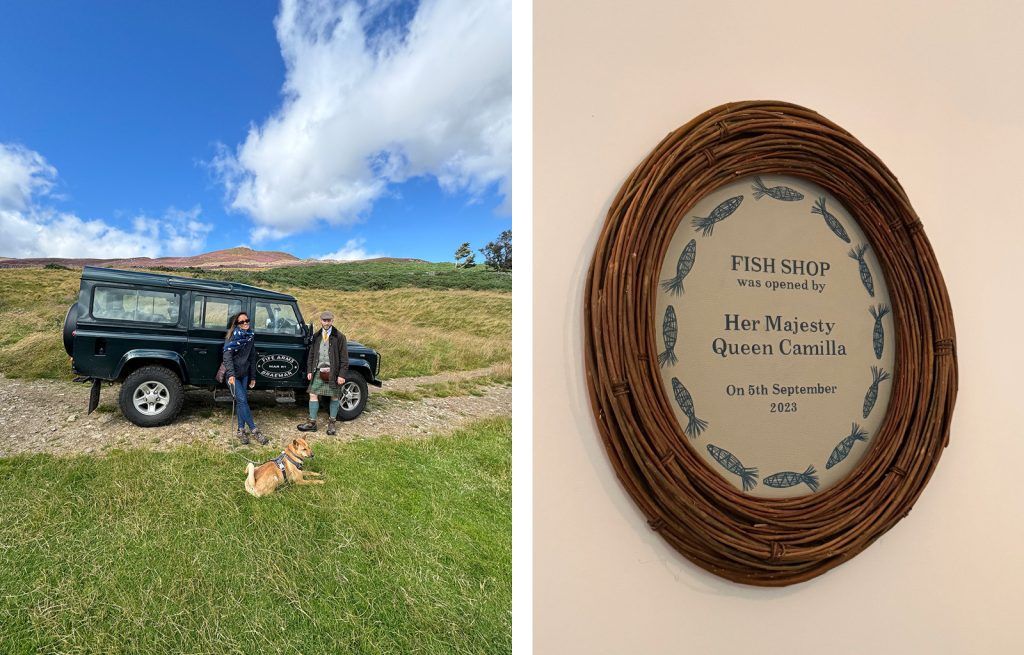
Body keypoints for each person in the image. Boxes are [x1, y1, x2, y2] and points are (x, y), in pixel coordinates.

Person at [297, 310, 348, 435]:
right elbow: (312, 355)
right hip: (318, 371)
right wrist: (309, 370)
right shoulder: (316, 336)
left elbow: (344, 359)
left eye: (329, 320)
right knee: (313, 394)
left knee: (334, 396)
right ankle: (312, 423)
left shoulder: (340, 337)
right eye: (324, 320)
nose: (326, 322)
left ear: (332, 320)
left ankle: (331, 423)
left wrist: (342, 375)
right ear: (321, 321)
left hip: (333, 372)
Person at [223, 311, 269, 445]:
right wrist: (231, 374)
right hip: (233, 375)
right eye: (242, 322)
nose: (245, 323)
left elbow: (252, 357)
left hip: (244, 374)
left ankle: (240, 430)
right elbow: (227, 356)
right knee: (242, 400)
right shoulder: (232, 337)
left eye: (247, 320)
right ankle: (254, 430)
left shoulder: (250, 336)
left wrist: (253, 376)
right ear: (237, 324)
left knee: (241, 402)